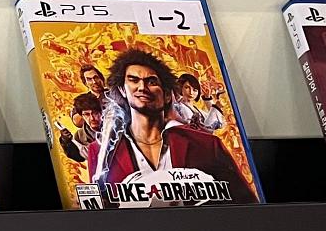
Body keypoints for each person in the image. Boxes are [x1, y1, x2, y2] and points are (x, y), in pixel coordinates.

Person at [85, 48, 256, 203]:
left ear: (167, 95)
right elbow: (97, 212)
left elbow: (246, 205)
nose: (142, 87)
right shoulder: (99, 152)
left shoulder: (207, 145)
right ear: (123, 90)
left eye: (151, 82)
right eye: (134, 80)